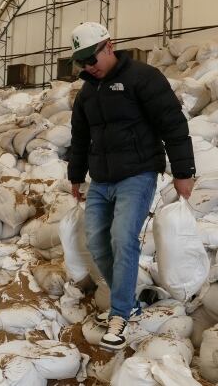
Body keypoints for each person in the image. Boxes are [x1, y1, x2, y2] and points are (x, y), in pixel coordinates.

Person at [67, 22, 196, 350]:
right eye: (82, 62)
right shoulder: (87, 92)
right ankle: (129, 300)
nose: (89, 67)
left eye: (92, 59)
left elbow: (173, 123)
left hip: (137, 175)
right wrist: (75, 176)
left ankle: (121, 312)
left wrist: (184, 171)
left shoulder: (143, 78)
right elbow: (80, 139)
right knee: (96, 242)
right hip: (101, 179)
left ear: (109, 46)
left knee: (123, 239)